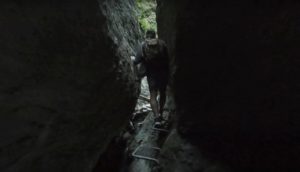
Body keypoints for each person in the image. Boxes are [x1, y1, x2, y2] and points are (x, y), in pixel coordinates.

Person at [134, 29, 170, 126]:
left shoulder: (143, 45)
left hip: (151, 74)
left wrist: (138, 75)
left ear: (146, 36)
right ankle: (161, 113)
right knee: (162, 94)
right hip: (163, 74)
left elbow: (136, 61)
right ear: (155, 35)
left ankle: (157, 118)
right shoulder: (162, 44)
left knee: (153, 95)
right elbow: (168, 60)